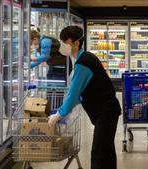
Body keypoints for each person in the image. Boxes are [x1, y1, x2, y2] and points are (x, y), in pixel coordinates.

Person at [47, 26, 121, 169]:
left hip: (105, 112)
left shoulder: (83, 63)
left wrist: (59, 114)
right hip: (107, 111)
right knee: (106, 151)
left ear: (76, 43)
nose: (62, 45)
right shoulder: (84, 58)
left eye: (65, 42)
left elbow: (74, 94)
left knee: (99, 153)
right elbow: (79, 92)